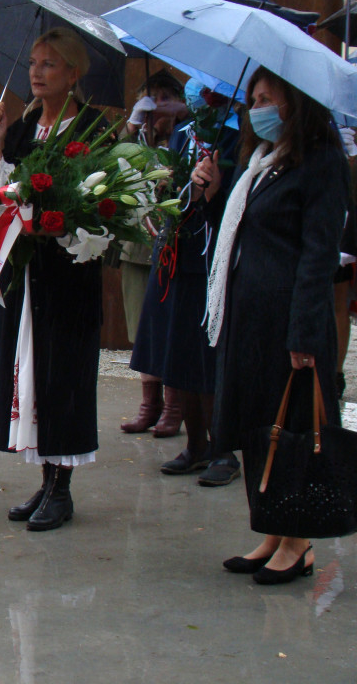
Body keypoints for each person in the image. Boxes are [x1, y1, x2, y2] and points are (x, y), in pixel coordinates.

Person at [193, 66, 352, 584]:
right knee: (261, 422)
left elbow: (317, 255)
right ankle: (272, 530)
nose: (257, 107)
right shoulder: (263, 162)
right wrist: (215, 194)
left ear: (296, 103)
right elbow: (243, 237)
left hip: (289, 320)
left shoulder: (321, 162)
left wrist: (305, 333)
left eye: (268, 98)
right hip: (251, 318)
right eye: (254, 98)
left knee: (295, 428)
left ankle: (299, 541)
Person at [0, 28, 106, 531]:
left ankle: (63, 488)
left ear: (73, 74)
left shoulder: (94, 128)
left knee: (63, 375)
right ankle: (46, 478)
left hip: (68, 274)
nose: (35, 71)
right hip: (28, 274)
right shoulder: (24, 126)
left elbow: (98, 204)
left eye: (49, 64)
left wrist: (55, 213)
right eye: (33, 62)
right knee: (32, 371)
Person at [130, 79, 240, 485]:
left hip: (208, 255)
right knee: (177, 353)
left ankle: (223, 447)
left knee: (205, 356)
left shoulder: (233, 136)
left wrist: (211, 190)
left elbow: (231, 196)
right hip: (175, 250)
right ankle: (196, 445)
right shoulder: (181, 134)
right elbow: (173, 184)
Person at [119, 71, 188, 440]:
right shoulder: (134, 139)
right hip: (138, 247)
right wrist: (133, 124)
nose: (156, 106)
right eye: (150, 97)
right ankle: (150, 405)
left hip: (174, 247)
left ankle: (174, 407)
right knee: (142, 329)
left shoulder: (185, 139)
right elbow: (108, 161)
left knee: (171, 328)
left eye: (164, 98)